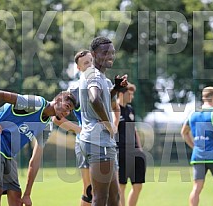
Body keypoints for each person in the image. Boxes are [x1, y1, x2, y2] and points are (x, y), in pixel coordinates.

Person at [0, 90, 76, 206]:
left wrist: (27, 194)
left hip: (8, 152)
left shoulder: (47, 126)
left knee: (16, 195)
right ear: (58, 100)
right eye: (67, 106)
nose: (68, 112)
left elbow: (35, 160)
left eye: (70, 110)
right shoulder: (35, 104)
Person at [53, 49, 124, 206]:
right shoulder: (74, 90)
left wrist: (114, 126)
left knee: (114, 193)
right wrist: (80, 130)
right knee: (90, 192)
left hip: (106, 141)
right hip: (87, 143)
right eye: (85, 63)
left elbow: (115, 107)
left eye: (91, 61)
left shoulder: (105, 83)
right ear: (78, 69)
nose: (90, 64)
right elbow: (56, 118)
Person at [79, 36, 125, 206]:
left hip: (101, 141)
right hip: (98, 141)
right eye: (105, 52)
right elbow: (94, 99)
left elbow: (101, 99)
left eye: (112, 52)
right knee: (100, 198)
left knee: (114, 198)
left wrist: (115, 90)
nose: (110, 56)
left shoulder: (100, 78)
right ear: (93, 54)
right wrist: (108, 124)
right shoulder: (94, 74)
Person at [180, 86, 213, 206]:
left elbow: (184, 132)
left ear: (203, 98)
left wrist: (194, 146)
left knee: (196, 188)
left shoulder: (192, 114)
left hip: (198, 156)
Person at [116, 83, 146, 206]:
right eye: (130, 94)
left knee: (138, 186)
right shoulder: (114, 109)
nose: (132, 97)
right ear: (121, 94)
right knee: (121, 186)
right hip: (120, 152)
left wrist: (139, 148)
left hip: (134, 152)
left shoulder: (130, 109)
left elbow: (134, 130)